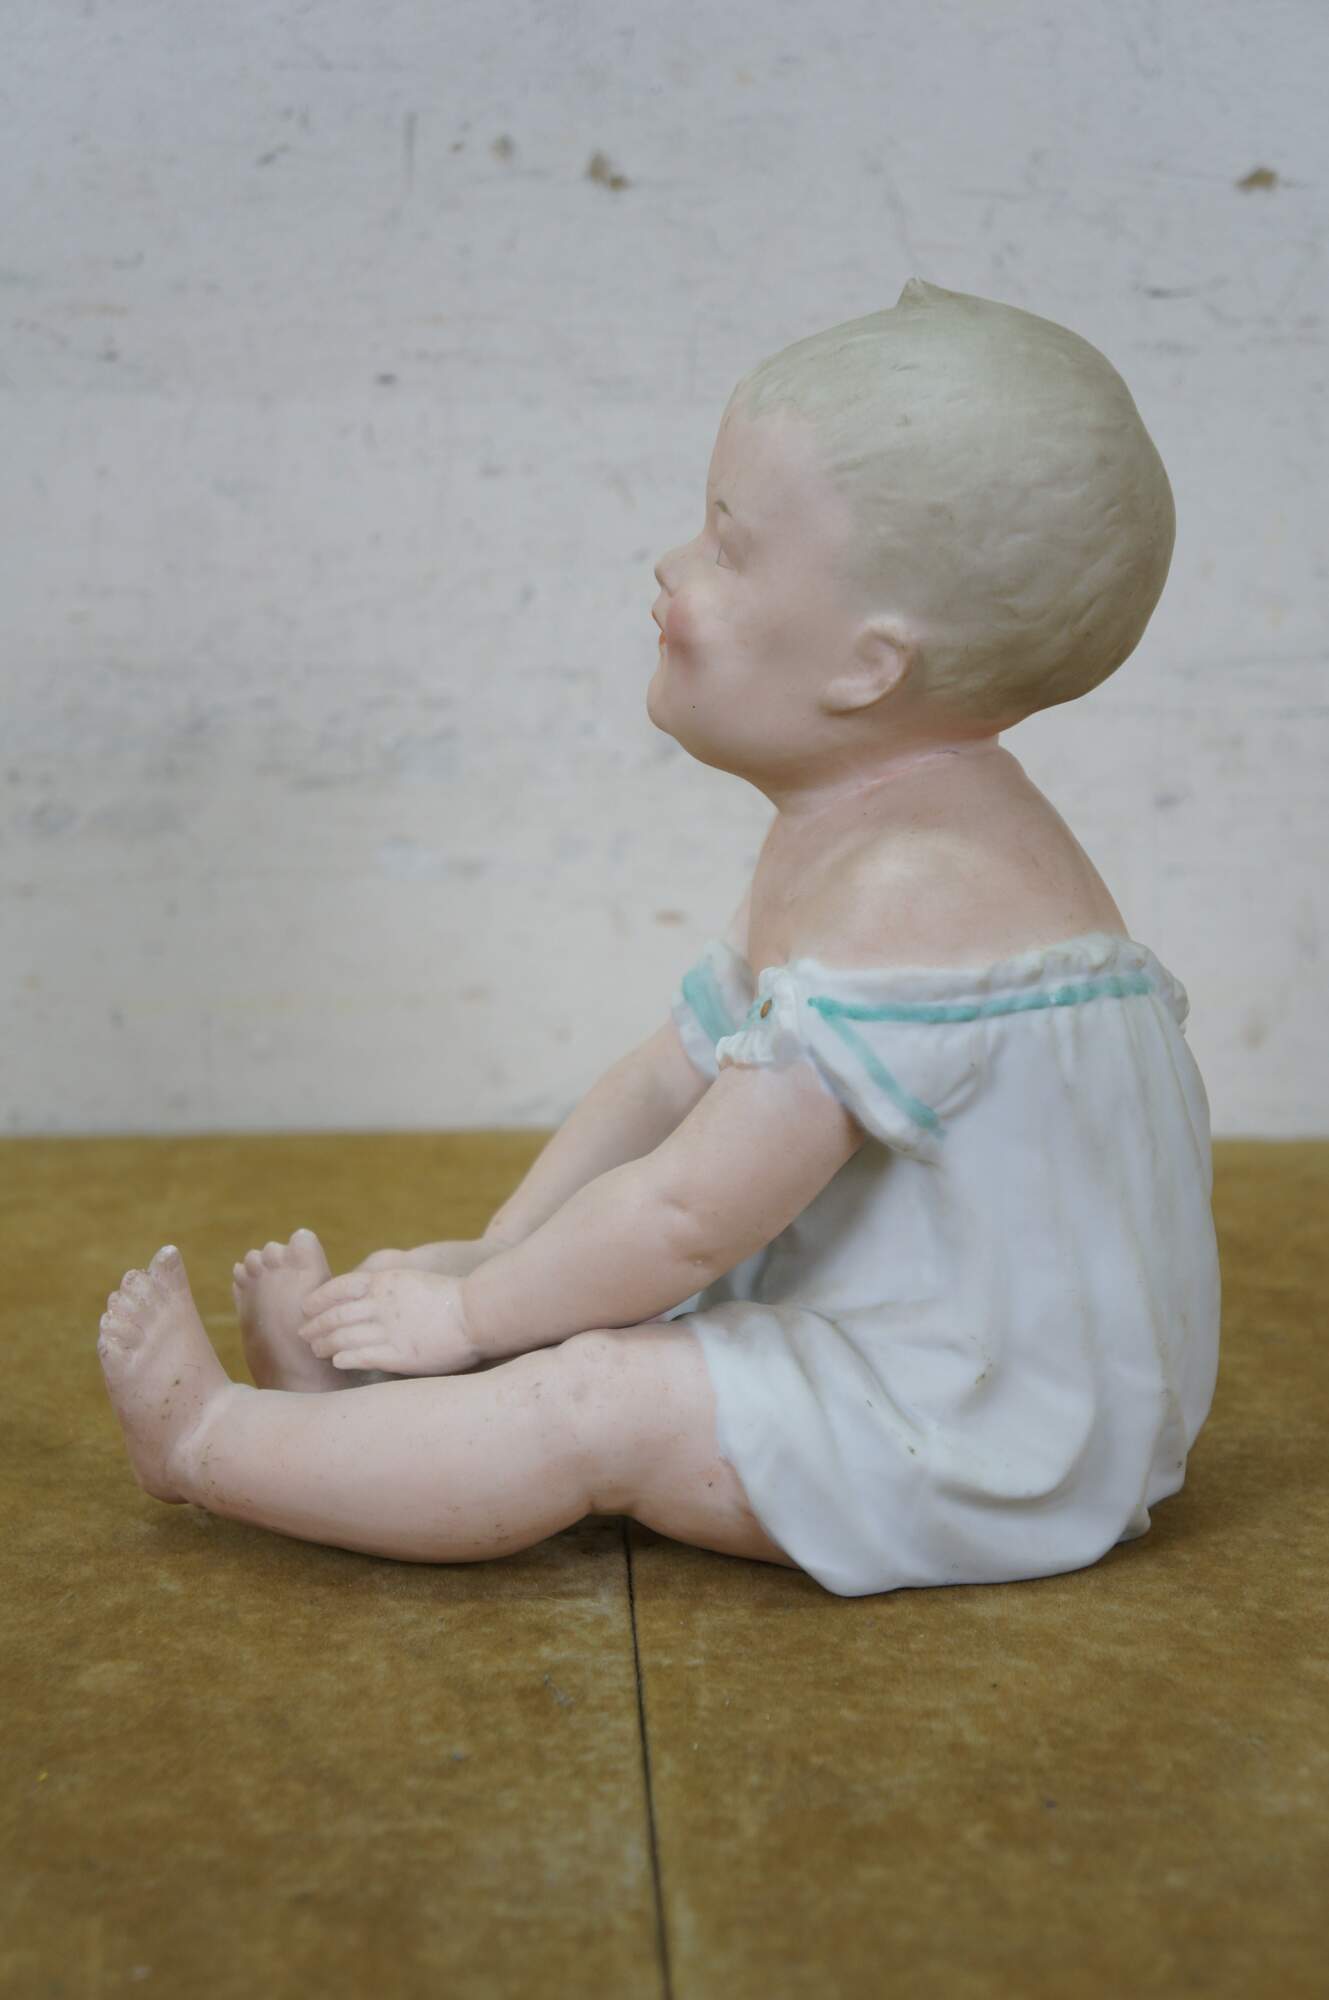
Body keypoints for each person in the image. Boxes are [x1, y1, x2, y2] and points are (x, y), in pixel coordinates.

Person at [97, 279, 1220, 1596]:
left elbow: (690, 1212)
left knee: (594, 1400)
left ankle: (210, 1443)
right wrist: (494, 1258)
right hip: (886, 1317)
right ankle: (348, 1418)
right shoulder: (855, 832)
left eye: (727, 550)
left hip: (982, 1424)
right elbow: (665, 1080)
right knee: (515, 1282)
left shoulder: (918, 887)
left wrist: (474, 1314)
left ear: (867, 666)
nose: (671, 570)